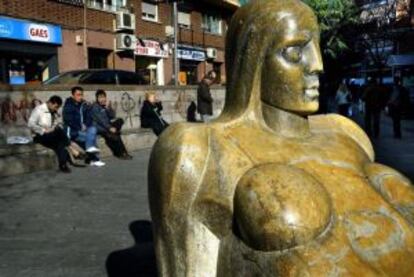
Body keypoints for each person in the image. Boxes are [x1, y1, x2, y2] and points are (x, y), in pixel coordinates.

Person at [148, 1, 414, 276]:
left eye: (316, 48)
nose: (318, 66)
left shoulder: (344, 131)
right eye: (295, 51)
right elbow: (189, 263)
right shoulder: (199, 147)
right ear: (253, 60)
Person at [63, 86, 105, 167]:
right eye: (78, 95)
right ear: (73, 95)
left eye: (81, 95)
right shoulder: (68, 106)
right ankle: (93, 159)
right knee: (90, 139)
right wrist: (80, 126)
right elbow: (68, 120)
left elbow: (89, 117)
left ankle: (91, 158)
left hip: (82, 130)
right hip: (72, 132)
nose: (80, 97)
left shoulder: (83, 104)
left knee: (92, 131)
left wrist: (86, 124)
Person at [28, 95, 71, 173]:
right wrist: (43, 130)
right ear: (50, 103)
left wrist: (54, 126)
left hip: (51, 135)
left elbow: (55, 123)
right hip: (39, 135)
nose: (56, 109)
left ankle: (63, 165)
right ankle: (70, 146)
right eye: (56, 107)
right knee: (59, 132)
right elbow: (31, 124)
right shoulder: (39, 109)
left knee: (59, 143)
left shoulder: (53, 111)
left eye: (58, 107)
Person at [90, 89, 132, 160]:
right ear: (97, 98)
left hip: (107, 125)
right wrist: (109, 128)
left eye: (103, 97)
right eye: (100, 97)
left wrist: (108, 108)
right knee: (115, 135)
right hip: (100, 128)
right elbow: (101, 121)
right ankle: (122, 153)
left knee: (120, 120)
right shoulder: (95, 107)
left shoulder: (104, 106)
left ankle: (112, 133)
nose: (102, 99)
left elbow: (112, 116)